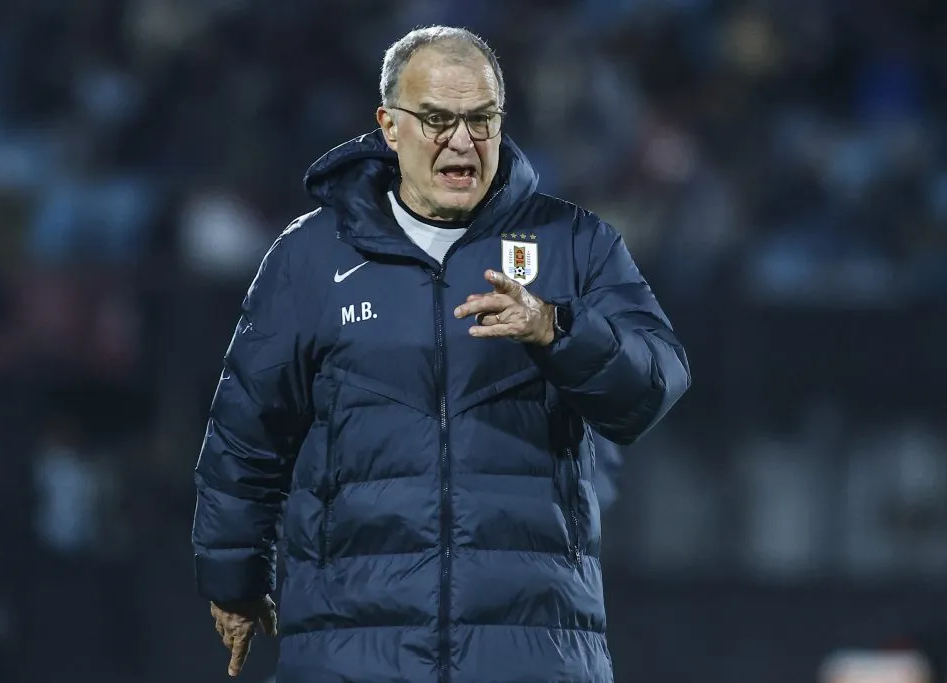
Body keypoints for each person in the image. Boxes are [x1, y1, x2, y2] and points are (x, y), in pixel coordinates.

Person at [192, 25, 690, 683]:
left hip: (530, 652)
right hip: (353, 651)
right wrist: (233, 576)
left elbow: (656, 383)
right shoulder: (311, 256)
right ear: (389, 126)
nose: (462, 141)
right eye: (436, 120)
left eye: (481, 120)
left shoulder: (574, 245)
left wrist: (555, 328)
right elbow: (246, 429)